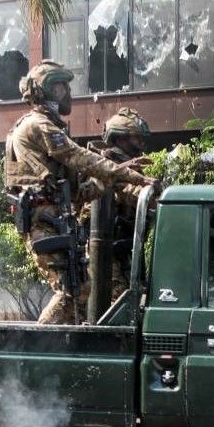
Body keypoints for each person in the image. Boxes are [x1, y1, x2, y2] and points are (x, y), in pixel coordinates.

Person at [3, 61, 151, 324]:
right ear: (51, 89)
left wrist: (113, 178)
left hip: (54, 221)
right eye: (64, 87)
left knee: (80, 289)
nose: (69, 94)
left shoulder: (48, 127)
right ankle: (38, 347)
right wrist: (129, 175)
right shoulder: (38, 125)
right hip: (42, 221)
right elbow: (78, 156)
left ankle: (65, 347)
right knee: (72, 291)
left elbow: (80, 194)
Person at [85, 107, 152, 316]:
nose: (141, 144)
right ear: (121, 139)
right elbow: (132, 193)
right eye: (137, 139)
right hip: (106, 253)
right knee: (119, 308)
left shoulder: (129, 167)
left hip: (123, 249)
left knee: (135, 301)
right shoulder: (110, 167)